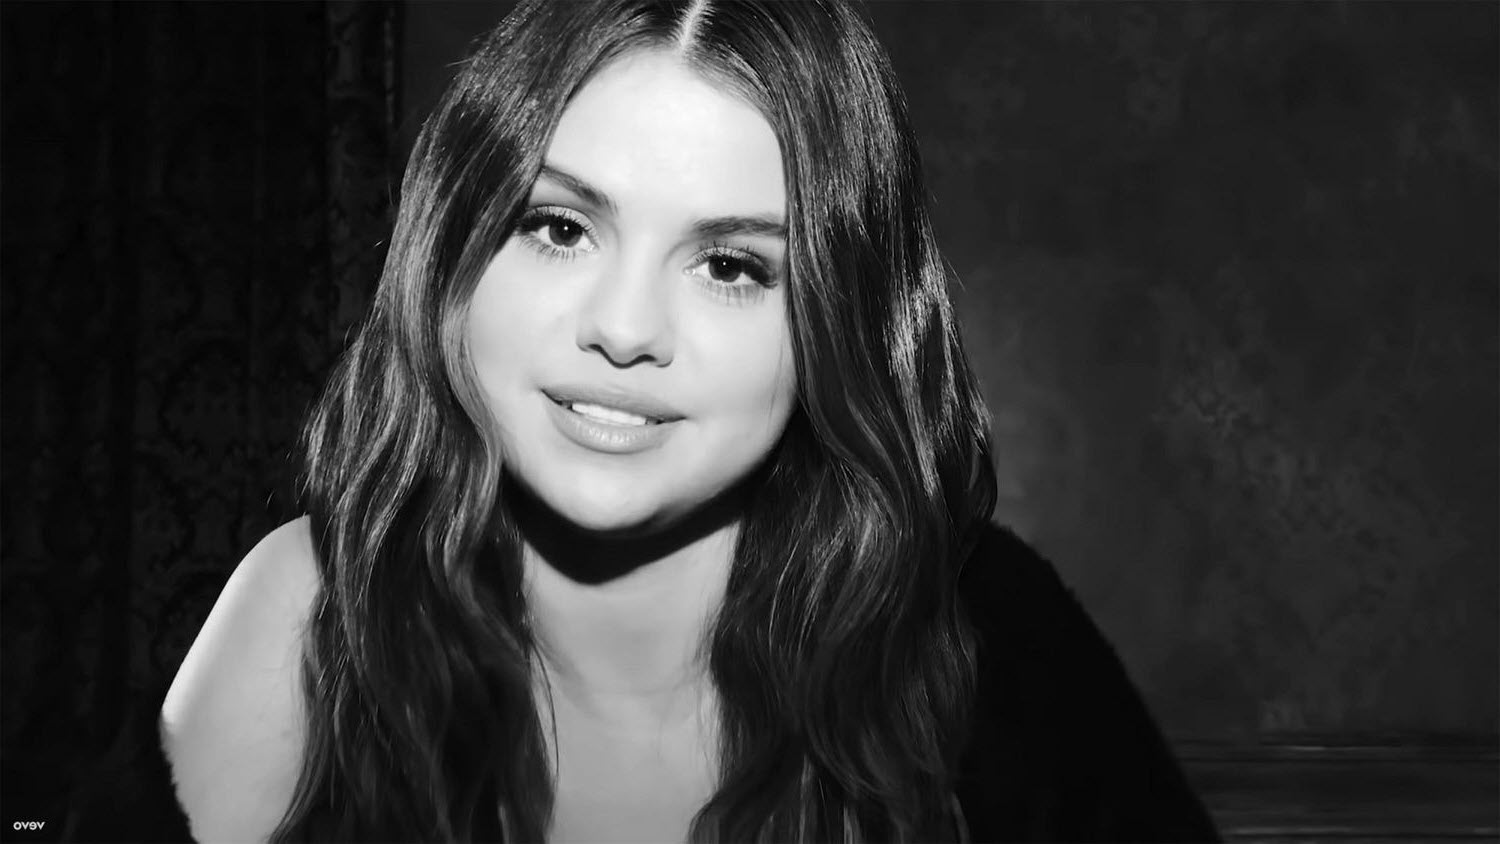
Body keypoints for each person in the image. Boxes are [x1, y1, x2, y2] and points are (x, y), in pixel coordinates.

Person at [64, 0, 1221, 841]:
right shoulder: (312, 613)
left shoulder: (986, 634)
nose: (623, 330)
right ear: (453, 250)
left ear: (838, 325)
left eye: (730, 265)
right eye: (560, 227)